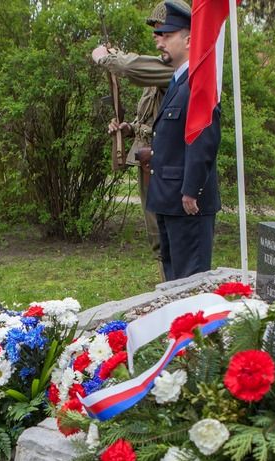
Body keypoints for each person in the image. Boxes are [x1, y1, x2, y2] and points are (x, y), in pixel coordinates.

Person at [93, 0, 183, 281]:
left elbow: (132, 67)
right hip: (149, 163)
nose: (157, 38)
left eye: (164, 32)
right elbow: (151, 118)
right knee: (158, 238)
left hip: (165, 167)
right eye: (156, 32)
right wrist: (129, 127)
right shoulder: (163, 68)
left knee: (168, 240)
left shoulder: (175, 69)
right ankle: (168, 288)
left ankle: (175, 291)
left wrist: (106, 57)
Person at [145, 1, 221, 281]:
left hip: (188, 204)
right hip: (169, 201)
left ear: (189, 40)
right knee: (174, 282)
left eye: (167, 35)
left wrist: (191, 190)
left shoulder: (198, 84)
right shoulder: (179, 82)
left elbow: (204, 139)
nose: (159, 42)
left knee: (190, 284)